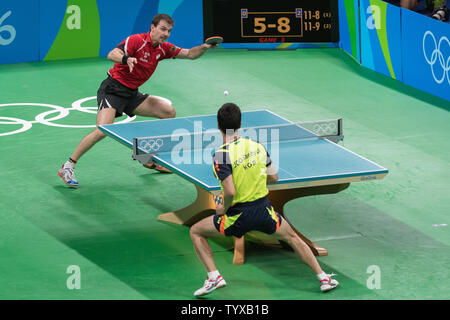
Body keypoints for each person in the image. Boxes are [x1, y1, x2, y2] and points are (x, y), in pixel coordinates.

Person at [189, 103, 339, 297]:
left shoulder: (221, 155)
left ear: (218, 125)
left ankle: (214, 276)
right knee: (293, 238)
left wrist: (221, 210)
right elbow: (274, 177)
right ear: (240, 123)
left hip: (238, 216)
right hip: (264, 211)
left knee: (196, 231)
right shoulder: (257, 147)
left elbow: (230, 192)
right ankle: (323, 278)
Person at [58, 13, 218, 186]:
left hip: (132, 94)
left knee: (168, 112)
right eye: (163, 29)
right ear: (152, 27)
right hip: (113, 89)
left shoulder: (164, 48)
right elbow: (112, 54)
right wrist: (127, 59)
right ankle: (68, 166)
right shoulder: (137, 41)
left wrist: (204, 47)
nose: (165, 34)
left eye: (169, 31)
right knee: (103, 130)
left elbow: (189, 54)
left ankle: (148, 156)